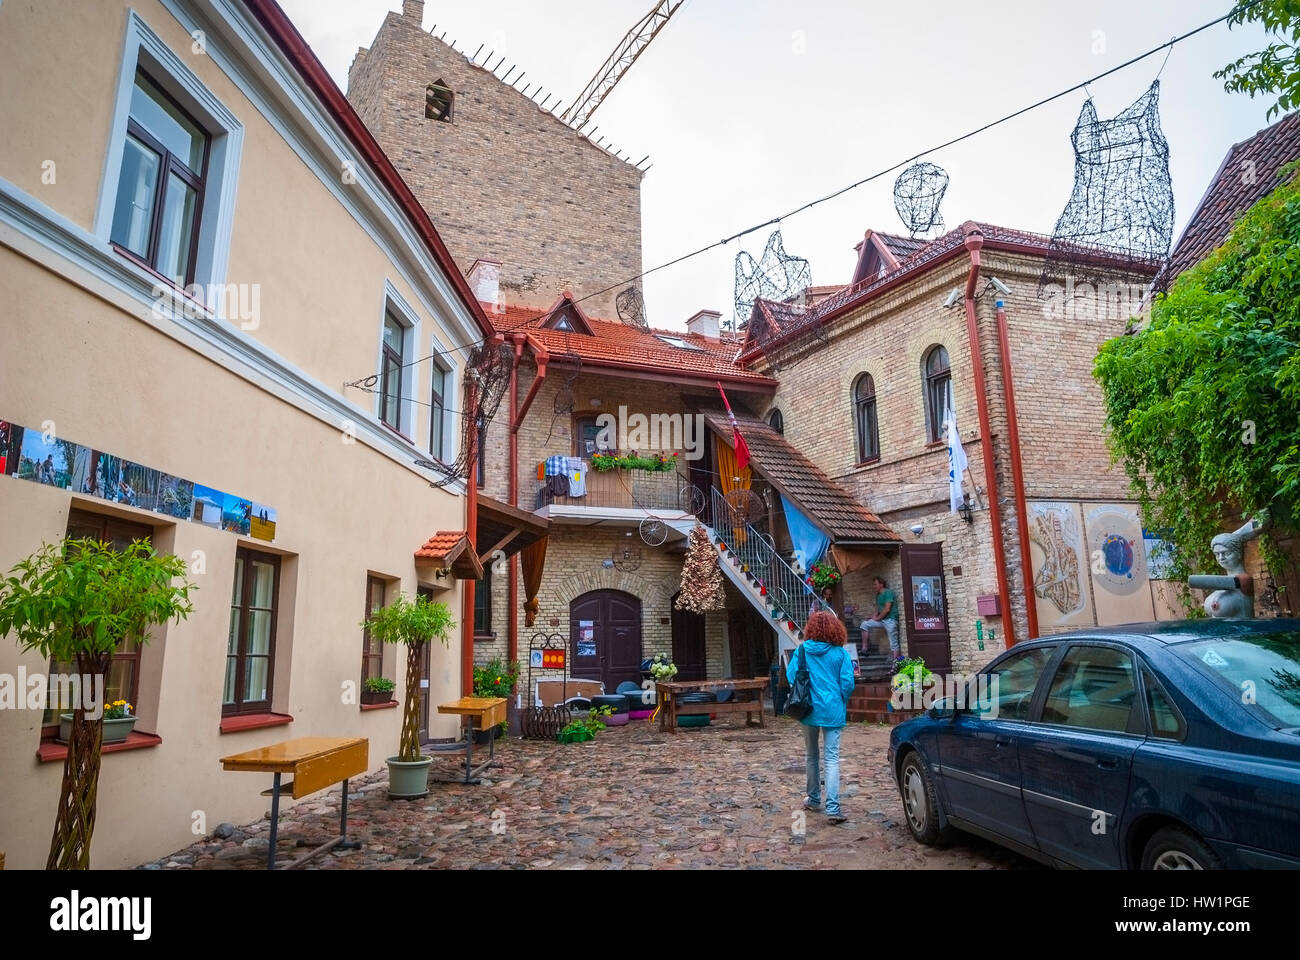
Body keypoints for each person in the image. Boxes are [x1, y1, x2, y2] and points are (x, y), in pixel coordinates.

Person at [787, 610, 855, 824]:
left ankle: (814, 798)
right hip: (833, 709)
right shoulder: (840, 653)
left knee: (811, 756)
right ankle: (833, 807)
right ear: (835, 628)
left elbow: (791, 677)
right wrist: (841, 700)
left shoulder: (802, 651)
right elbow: (847, 683)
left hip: (808, 710)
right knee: (832, 758)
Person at [860, 575, 900, 660]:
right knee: (864, 624)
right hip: (882, 620)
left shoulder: (888, 593)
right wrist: (871, 617)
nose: (873, 586)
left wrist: (878, 618)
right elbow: (878, 610)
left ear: (881, 584)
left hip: (890, 620)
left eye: (875, 584)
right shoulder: (878, 595)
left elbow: (887, 609)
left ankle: (895, 665)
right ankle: (864, 649)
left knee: (894, 643)